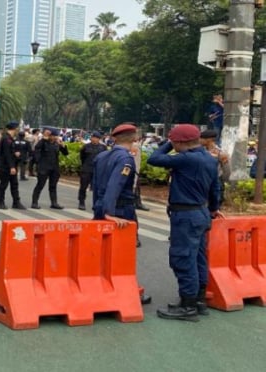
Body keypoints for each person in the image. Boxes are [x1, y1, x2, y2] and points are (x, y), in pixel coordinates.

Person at [147, 124, 222, 322]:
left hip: (186, 215)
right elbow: (216, 188)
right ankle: (198, 301)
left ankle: (188, 306)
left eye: (175, 141)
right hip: (202, 212)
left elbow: (153, 159)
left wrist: (167, 144)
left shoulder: (186, 158)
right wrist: (214, 208)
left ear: (180, 142)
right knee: (198, 258)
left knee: (183, 258)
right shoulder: (209, 158)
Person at [92, 123, 151, 305]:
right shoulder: (126, 159)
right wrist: (110, 212)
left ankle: (101, 287)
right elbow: (115, 185)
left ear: (114, 138)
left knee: (102, 250)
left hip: (101, 205)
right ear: (134, 139)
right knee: (121, 251)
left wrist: (100, 209)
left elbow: (95, 186)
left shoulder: (102, 155)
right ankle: (122, 290)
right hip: (120, 208)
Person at [31, 128, 68, 209]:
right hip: (44, 167)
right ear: (49, 136)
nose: (55, 137)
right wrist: (38, 162)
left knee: (53, 186)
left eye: (56, 136)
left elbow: (65, 153)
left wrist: (63, 146)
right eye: (53, 136)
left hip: (54, 168)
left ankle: (54, 203)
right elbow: (36, 149)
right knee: (40, 185)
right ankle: (34, 202)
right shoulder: (43, 142)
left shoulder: (57, 144)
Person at [0, 122, 26, 209]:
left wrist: (15, 154)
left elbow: (11, 152)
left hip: (12, 165)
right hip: (5, 166)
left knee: (14, 184)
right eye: (17, 128)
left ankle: (16, 202)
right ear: (14, 128)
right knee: (3, 184)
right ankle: (0, 202)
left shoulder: (11, 139)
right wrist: (12, 167)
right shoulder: (6, 139)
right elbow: (6, 154)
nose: (18, 130)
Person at [200, 129, 231, 207]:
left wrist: (223, 182)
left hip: (216, 182)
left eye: (201, 138)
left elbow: (227, 171)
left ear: (209, 140)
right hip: (202, 181)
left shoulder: (221, 153)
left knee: (214, 206)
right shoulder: (200, 151)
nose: (199, 140)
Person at [78, 131, 106, 210]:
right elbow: (82, 157)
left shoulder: (103, 148)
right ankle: (81, 202)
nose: (94, 139)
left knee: (97, 188)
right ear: (91, 138)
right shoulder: (85, 147)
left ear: (99, 139)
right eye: (93, 137)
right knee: (83, 186)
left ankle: (96, 204)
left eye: (97, 138)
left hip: (97, 170)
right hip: (86, 169)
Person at [131, 137, 150, 211]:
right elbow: (135, 159)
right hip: (132, 170)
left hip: (135, 170)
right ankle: (136, 203)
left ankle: (137, 202)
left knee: (137, 187)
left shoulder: (135, 145)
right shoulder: (134, 146)